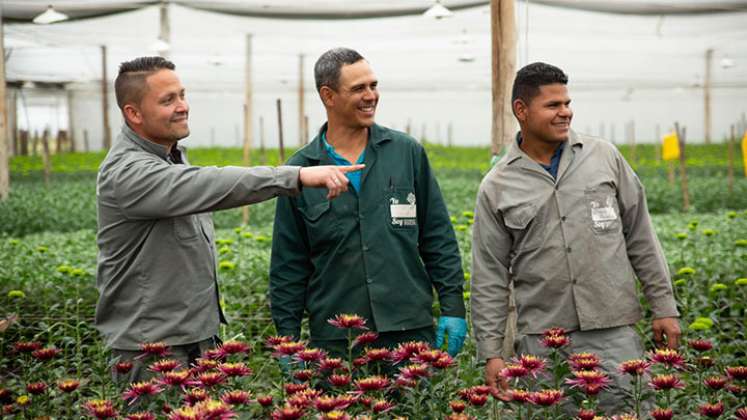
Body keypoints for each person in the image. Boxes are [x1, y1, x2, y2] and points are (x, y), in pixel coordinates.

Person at [96, 56, 362, 383]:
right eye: (168, 100)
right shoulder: (129, 172)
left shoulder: (170, 156)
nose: (183, 106)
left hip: (192, 337)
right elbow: (211, 183)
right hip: (152, 349)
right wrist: (297, 176)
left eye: (182, 95)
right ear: (133, 114)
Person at [470, 62, 680, 414]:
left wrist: (664, 307)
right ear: (521, 110)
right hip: (545, 344)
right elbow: (489, 275)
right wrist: (491, 352)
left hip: (613, 332)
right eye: (553, 105)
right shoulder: (498, 185)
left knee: (626, 411)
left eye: (567, 103)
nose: (565, 112)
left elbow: (641, 236)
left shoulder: (604, 158)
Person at [269, 48, 467, 358]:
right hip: (339, 340)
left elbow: (437, 235)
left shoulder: (405, 153)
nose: (370, 95)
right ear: (328, 95)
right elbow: (288, 264)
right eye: (358, 88)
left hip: (408, 330)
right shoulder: (302, 171)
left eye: (373, 85)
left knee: (416, 406)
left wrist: (453, 306)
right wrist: (287, 340)